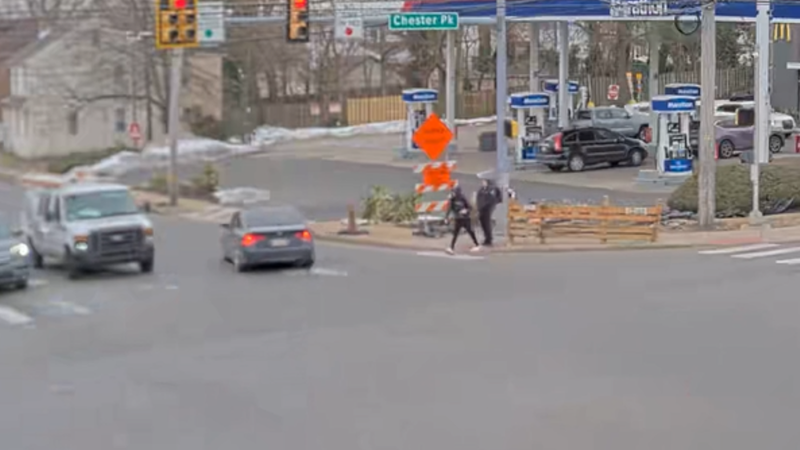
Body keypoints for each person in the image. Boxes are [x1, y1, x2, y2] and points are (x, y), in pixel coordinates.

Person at [445, 185, 480, 254]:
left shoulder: (462, 198)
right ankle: (451, 247)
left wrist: (465, 210)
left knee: (470, 231)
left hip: (465, 218)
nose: (454, 193)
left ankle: (477, 245)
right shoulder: (452, 199)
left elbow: (470, 207)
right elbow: (449, 209)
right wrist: (446, 217)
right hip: (458, 218)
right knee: (455, 233)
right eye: (453, 192)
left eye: (455, 192)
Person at [475, 178, 502, 246]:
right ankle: (486, 238)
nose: (483, 183)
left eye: (484, 182)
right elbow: (478, 198)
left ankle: (489, 239)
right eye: (483, 182)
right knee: (482, 223)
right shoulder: (481, 189)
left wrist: (494, 203)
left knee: (487, 223)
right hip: (481, 208)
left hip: (487, 208)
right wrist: (478, 206)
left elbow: (496, 198)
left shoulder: (491, 189)